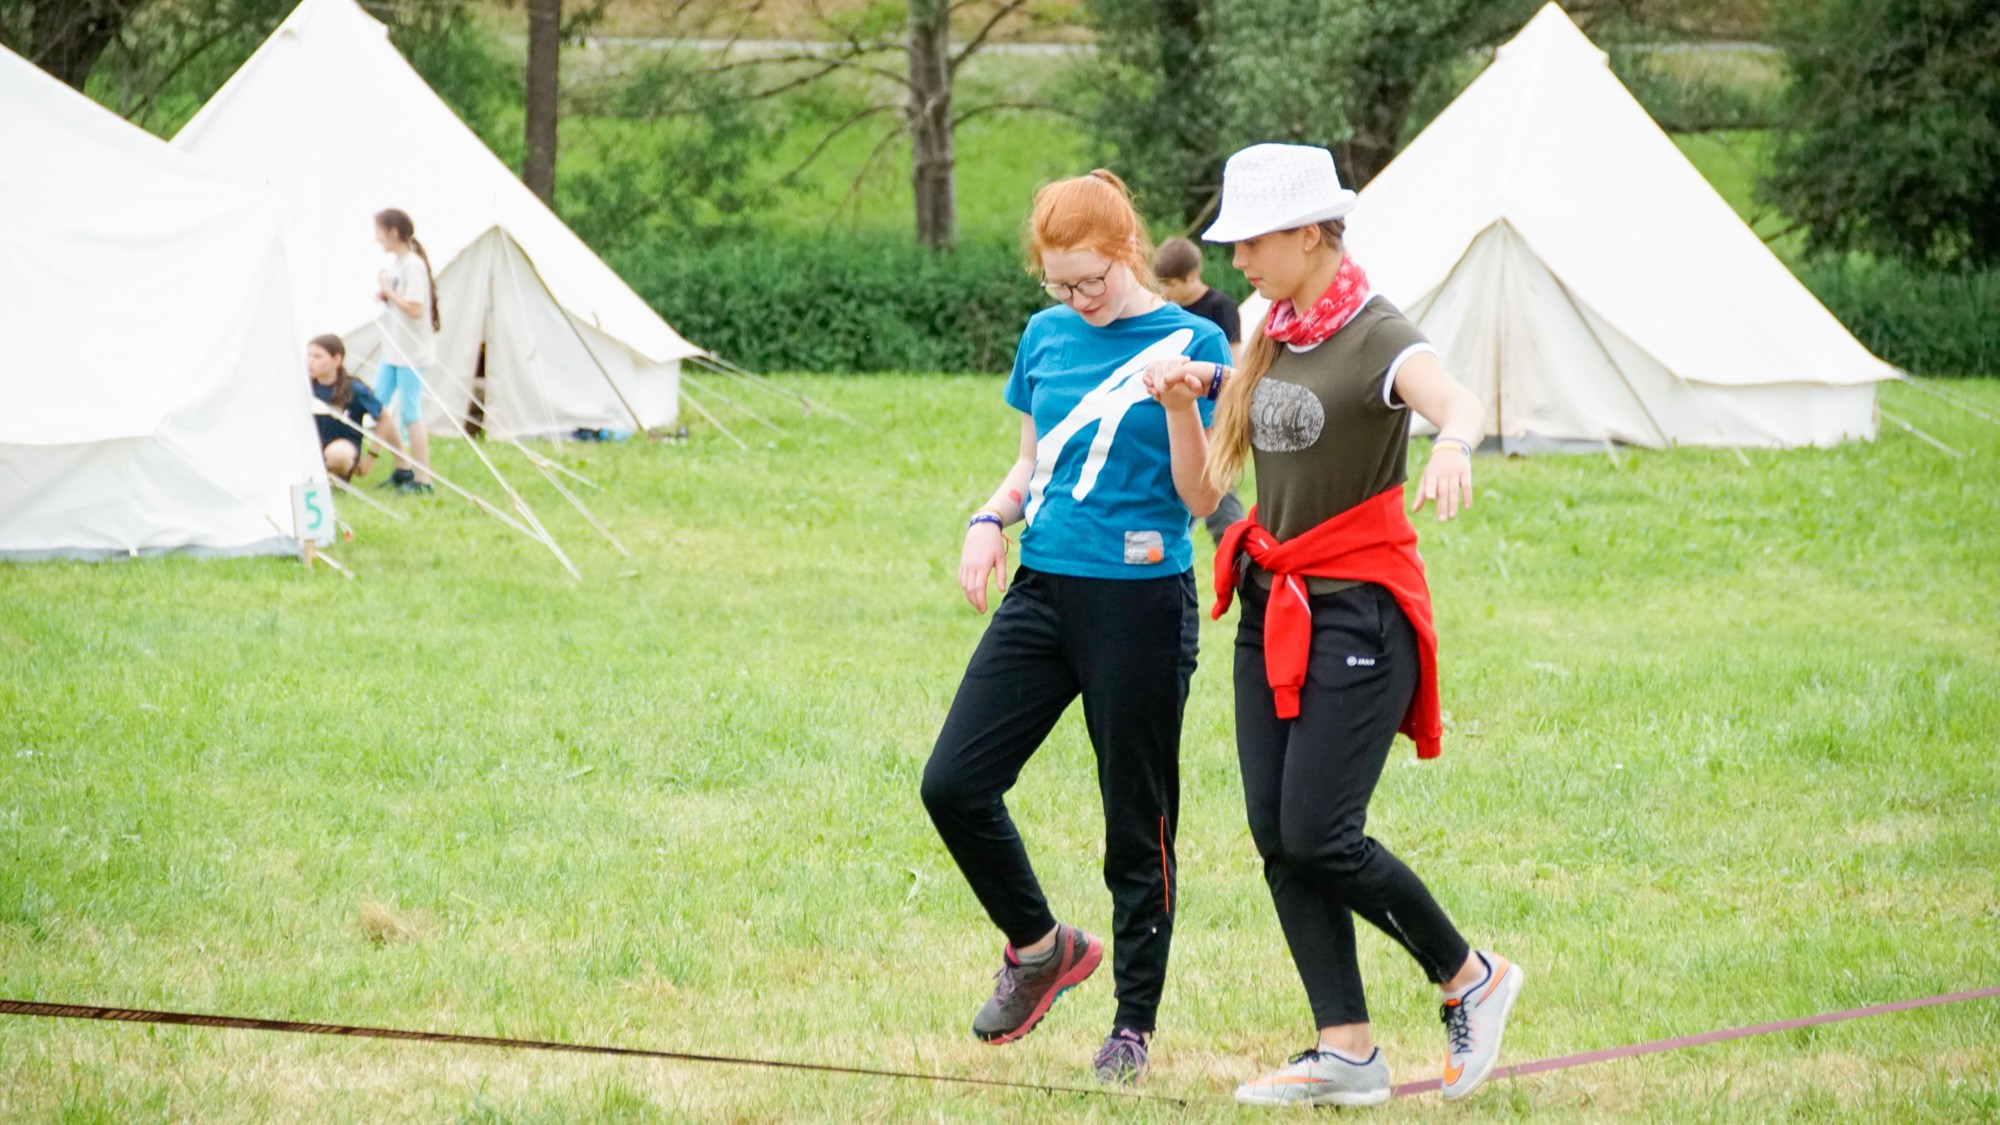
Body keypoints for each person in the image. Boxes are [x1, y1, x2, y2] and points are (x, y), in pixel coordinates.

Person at [1145, 144, 1520, 1108]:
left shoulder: (1376, 331)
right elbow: (1205, 495)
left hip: (1358, 612)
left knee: (1319, 831)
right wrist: (1184, 409)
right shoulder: (1268, 333)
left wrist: (1455, 445)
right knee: (1278, 832)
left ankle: (1469, 975)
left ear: (1311, 233)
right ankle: (1346, 1048)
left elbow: (1455, 397)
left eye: (1253, 241)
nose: (1237, 260)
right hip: (1272, 608)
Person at [919, 169, 1234, 1086]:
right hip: (1044, 588)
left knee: (1137, 822)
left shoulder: (1196, 340)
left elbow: (1203, 495)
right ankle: (1041, 947)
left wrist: (1178, 404)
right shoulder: (1046, 336)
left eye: (1090, 280)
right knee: (954, 783)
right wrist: (990, 517)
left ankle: (1133, 1024)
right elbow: (1034, 460)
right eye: (1059, 284)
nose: (1077, 299)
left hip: (1140, 602)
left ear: (1127, 251)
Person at [1154, 236, 1247, 544]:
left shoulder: (1220, 307)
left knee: (1219, 494)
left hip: (1214, 416)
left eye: (1171, 284)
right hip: (1177, 414)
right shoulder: (1167, 312)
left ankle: (1239, 554)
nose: (1165, 292)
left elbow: (1234, 364)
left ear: (1192, 275)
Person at [371, 208, 439, 495]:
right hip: (393, 350)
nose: (377, 239)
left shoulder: (413, 265)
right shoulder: (397, 264)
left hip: (410, 352)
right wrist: (386, 295)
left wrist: (389, 292)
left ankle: (423, 479)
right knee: (377, 405)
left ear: (393, 232)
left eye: (379, 232)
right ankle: (402, 468)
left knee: (410, 411)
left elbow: (415, 308)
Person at [307, 334, 381, 481]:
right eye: (308, 355)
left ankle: (335, 479)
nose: (310, 362)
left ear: (336, 360)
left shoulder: (355, 389)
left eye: (317, 356)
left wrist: (372, 456)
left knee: (339, 454)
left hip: (342, 450)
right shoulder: (305, 388)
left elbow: (384, 418)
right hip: (311, 449)